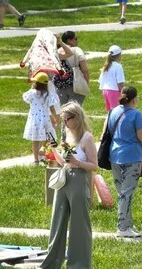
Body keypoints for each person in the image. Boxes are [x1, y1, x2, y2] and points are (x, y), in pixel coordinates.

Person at [40, 102, 97, 269]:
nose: (64, 123)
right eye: (63, 120)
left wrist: (78, 162)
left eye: (67, 120)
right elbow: (62, 162)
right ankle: (52, 262)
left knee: (79, 224)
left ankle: (78, 264)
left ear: (77, 118)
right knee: (57, 220)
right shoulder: (66, 134)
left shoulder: (87, 137)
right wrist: (53, 149)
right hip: (64, 178)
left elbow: (94, 165)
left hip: (79, 179)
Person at [106, 86, 142, 237]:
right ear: (134, 99)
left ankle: (127, 224)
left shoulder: (113, 111)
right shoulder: (136, 114)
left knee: (122, 193)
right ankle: (123, 227)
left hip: (115, 155)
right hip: (131, 156)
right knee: (127, 193)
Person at [23, 72, 59, 164]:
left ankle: (36, 159)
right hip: (45, 119)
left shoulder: (31, 93)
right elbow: (52, 108)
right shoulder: (48, 94)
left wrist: (32, 88)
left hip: (34, 119)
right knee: (49, 136)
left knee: (35, 139)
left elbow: (26, 99)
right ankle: (44, 152)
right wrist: (55, 118)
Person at [56, 31, 89, 106]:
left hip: (60, 85)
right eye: (75, 39)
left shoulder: (57, 51)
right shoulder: (77, 50)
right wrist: (86, 82)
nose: (77, 41)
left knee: (64, 111)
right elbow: (85, 70)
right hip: (75, 84)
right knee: (75, 111)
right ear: (69, 40)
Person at [99, 45, 125, 111]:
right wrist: (123, 93)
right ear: (118, 55)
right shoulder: (118, 66)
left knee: (110, 111)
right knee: (117, 111)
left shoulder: (106, 65)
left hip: (105, 90)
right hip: (114, 91)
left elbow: (101, 80)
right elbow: (120, 82)